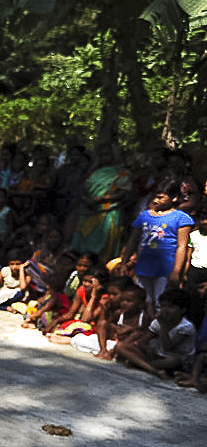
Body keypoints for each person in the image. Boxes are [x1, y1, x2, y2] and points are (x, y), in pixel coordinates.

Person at [119, 184, 194, 317]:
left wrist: (176, 272)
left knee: (161, 302)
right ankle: (141, 330)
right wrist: (124, 262)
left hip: (165, 268)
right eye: (155, 197)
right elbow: (132, 240)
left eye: (160, 197)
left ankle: (159, 332)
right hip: (143, 267)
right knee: (142, 301)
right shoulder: (144, 216)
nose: (156, 200)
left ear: (175, 198)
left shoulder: (181, 218)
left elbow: (182, 246)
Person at [114, 288, 197, 379]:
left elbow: (168, 347)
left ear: (182, 310)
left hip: (179, 360)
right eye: (163, 306)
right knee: (121, 346)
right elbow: (143, 341)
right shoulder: (158, 322)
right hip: (158, 355)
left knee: (172, 361)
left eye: (170, 307)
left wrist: (163, 326)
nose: (165, 310)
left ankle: (138, 364)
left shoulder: (185, 327)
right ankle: (153, 370)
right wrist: (147, 348)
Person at [71, 141, 132, 264]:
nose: (104, 157)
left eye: (107, 154)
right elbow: (84, 188)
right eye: (102, 154)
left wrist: (101, 199)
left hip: (108, 213)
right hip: (88, 211)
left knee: (104, 248)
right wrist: (86, 199)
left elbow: (122, 193)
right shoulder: (94, 171)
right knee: (83, 243)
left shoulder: (122, 172)